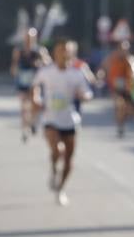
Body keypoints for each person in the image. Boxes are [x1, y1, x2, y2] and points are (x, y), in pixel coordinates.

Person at [31, 39, 94, 206]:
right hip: (50, 119)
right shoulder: (46, 71)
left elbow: (87, 92)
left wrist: (85, 96)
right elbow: (35, 86)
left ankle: (61, 189)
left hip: (70, 120)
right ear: (55, 53)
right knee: (57, 150)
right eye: (60, 50)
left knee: (68, 159)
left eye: (67, 51)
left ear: (71, 54)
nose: (63, 54)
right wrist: (36, 98)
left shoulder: (76, 74)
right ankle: (53, 170)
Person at [103, 40, 134, 138]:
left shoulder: (131, 60)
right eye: (121, 49)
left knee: (128, 108)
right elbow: (104, 68)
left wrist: (133, 77)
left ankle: (125, 117)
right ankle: (120, 126)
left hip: (129, 88)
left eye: (126, 49)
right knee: (120, 105)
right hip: (117, 88)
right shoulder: (112, 58)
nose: (123, 51)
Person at [13, 29, 45, 142]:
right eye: (27, 37)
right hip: (22, 80)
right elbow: (14, 65)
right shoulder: (19, 50)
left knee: (35, 102)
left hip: (34, 80)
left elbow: (47, 63)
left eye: (31, 38)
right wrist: (15, 71)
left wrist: (38, 63)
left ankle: (33, 122)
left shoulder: (39, 50)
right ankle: (24, 131)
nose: (29, 40)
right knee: (23, 106)